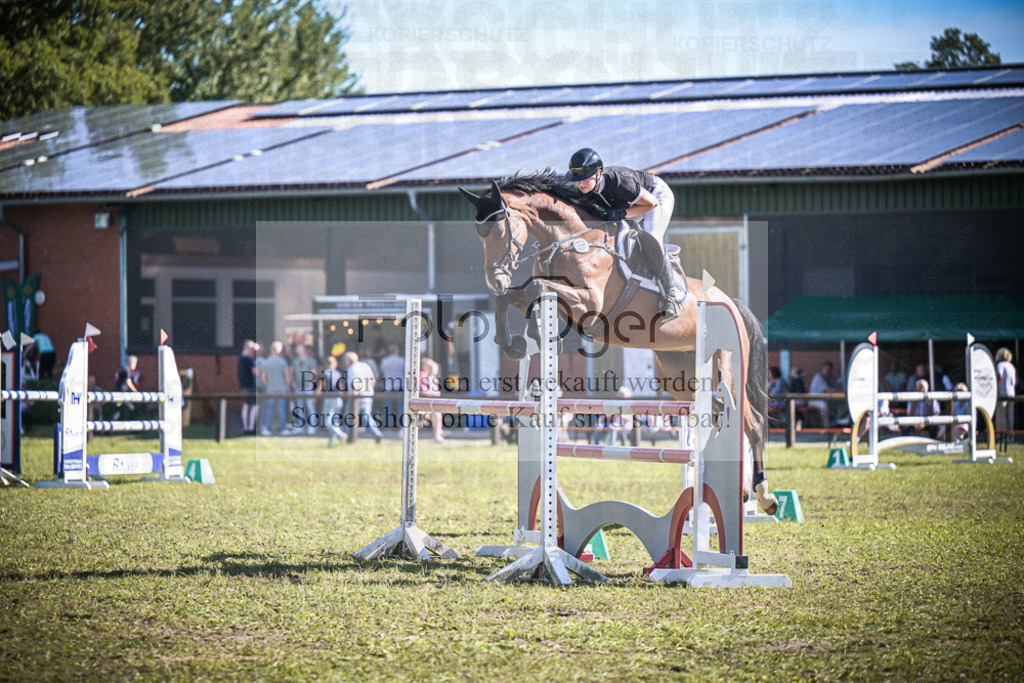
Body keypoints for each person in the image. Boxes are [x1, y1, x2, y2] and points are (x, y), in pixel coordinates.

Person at [565, 147, 682, 321]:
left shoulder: (619, 182)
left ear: (599, 174)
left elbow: (650, 203)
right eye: (577, 180)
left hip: (656, 197)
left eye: (584, 178)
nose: (580, 184)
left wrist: (622, 214)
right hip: (632, 205)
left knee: (651, 238)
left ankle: (670, 297)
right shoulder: (586, 192)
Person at [343, 351, 383, 443]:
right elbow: (373, 380)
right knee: (366, 415)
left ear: (348, 361)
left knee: (348, 416)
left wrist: (354, 396)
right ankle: (376, 433)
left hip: (356, 396)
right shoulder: (365, 366)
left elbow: (354, 384)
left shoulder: (351, 369)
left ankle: (349, 436)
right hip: (368, 394)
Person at [260, 341, 289, 435]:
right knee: (281, 409)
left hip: (270, 389)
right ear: (278, 350)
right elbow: (287, 376)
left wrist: (267, 385)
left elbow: (263, 377)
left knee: (270, 409)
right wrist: (287, 386)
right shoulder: (282, 361)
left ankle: (267, 429)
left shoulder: (266, 362)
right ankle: (283, 429)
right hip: (281, 388)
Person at [290, 343, 318, 435]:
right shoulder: (295, 360)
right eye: (297, 349)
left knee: (310, 407)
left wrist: (311, 383)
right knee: (300, 408)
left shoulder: (311, 360)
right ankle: (300, 427)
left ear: (304, 349)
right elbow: (291, 371)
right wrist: (293, 382)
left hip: (308, 387)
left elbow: (314, 372)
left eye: (300, 348)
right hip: (298, 387)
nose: (298, 350)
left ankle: (312, 427)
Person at [808, 361, 843, 428]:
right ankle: (826, 426)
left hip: (826, 399)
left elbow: (838, 387)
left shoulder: (831, 377)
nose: (827, 371)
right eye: (826, 369)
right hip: (814, 400)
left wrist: (841, 391)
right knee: (824, 406)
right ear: (822, 369)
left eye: (829, 369)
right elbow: (829, 390)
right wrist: (840, 392)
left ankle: (834, 423)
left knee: (841, 405)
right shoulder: (818, 377)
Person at [322, 355, 348, 446]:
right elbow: (342, 387)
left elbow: (321, 386)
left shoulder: (325, 373)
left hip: (329, 399)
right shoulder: (338, 374)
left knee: (326, 422)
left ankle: (341, 435)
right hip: (338, 399)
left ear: (326, 364)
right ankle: (331, 443)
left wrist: (315, 396)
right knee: (335, 422)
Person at [378, 344, 405, 428]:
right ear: (397, 351)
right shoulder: (402, 360)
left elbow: (382, 372)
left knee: (387, 407)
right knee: (400, 407)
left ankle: (388, 426)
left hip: (388, 385)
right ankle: (401, 426)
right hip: (399, 385)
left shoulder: (384, 361)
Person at [419, 357, 444, 443]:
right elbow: (422, 390)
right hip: (426, 400)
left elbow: (437, 391)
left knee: (437, 416)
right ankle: (409, 430)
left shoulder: (434, 378)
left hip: (434, 400)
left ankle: (437, 435)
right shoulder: (424, 376)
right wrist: (432, 393)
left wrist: (435, 393)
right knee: (425, 420)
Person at [237, 340, 260, 434]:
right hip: (250, 386)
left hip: (243, 386)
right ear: (247, 348)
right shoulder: (249, 360)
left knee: (246, 405)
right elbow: (256, 373)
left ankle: (245, 427)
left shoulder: (240, 359)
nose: (252, 350)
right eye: (251, 348)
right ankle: (251, 427)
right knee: (255, 405)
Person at [995, 348, 1016, 443]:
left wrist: (996, 384)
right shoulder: (1011, 366)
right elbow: (1015, 382)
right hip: (1011, 393)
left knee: (1001, 415)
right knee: (1010, 415)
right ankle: (1010, 436)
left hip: (1002, 393)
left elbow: (1000, 375)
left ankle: (1002, 435)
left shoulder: (1000, 365)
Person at [111, 355, 139, 420]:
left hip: (117, 392)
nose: (135, 366)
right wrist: (135, 391)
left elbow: (116, 377)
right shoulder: (127, 371)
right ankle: (133, 424)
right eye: (135, 364)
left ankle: (112, 424)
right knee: (131, 408)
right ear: (131, 363)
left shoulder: (122, 369)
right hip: (121, 394)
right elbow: (128, 382)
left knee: (117, 409)